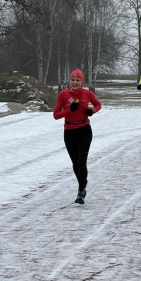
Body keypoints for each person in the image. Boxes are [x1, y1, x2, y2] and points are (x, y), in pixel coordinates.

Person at [53, 68, 102, 205]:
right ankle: (83, 181)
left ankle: (81, 191)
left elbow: (98, 105)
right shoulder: (63, 95)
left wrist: (91, 111)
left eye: (77, 80)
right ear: (70, 81)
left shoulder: (87, 94)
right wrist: (69, 110)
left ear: (82, 82)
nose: (74, 82)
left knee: (82, 161)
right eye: (72, 80)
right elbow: (56, 115)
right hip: (69, 131)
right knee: (75, 163)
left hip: (84, 130)